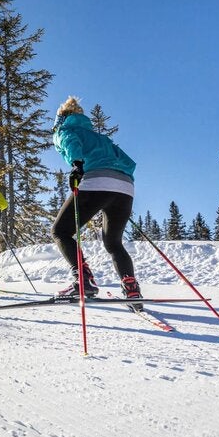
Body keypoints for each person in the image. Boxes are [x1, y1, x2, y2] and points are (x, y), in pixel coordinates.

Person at [51, 96, 143, 307]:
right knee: (113, 243)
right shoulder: (101, 138)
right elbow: (128, 161)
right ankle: (132, 289)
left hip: (96, 181)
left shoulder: (64, 130)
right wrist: (118, 182)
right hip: (125, 187)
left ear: (61, 119)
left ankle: (84, 282)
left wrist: (76, 166)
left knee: (60, 232)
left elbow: (70, 144)